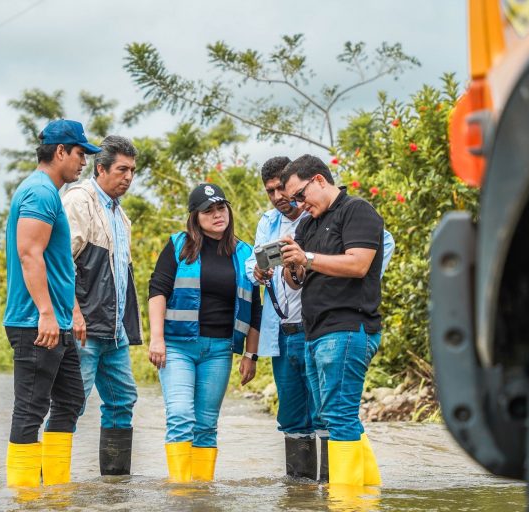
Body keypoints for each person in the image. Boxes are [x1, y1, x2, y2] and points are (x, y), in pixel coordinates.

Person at [246, 157, 395, 482]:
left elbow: (359, 265)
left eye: (299, 195)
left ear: (318, 180)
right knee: (329, 415)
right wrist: (291, 267)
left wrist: (307, 258)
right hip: (315, 332)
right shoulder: (307, 225)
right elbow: (296, 280)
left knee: (337, 418)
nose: (296, 203)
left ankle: (345, 500)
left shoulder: (357, 211)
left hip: (347, 327)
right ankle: (358, 493)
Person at [3, 119, 101, 489]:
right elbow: (30, 254)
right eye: (79, 154)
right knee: (30, 410)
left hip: (55, 319)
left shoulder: (48, 193)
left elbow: (58, 265)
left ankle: (55, 491)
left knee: (71, 397)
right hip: (35, 321)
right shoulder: (40, 193)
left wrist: (71, 311)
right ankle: (25, 497)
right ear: (60, 152)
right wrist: (45, 312)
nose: (83, 163)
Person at [147, 183, 262, 483]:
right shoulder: (178, 245)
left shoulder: (246, 253)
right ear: (195, 217)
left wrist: (251, 354)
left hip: (220, 349)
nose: (216, 215)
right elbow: (157, 290)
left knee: (207, 424)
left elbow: (256, 308)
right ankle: (181, 491)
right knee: (182, 416)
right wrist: (156, 338)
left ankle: (201, 493)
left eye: (220, 208)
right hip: (177, 347)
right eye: (207, 211)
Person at [62, 135, 142, 476]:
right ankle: (45, 484)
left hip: (114, 331)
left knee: (123, 402)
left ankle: (115, 487)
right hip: (85, 328)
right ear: (101, 168)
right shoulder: (79, 201)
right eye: (121, 169)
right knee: (71, 404)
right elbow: (61, 263)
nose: (128, 177)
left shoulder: (119, 214)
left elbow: (121, 276)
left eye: (132, 170)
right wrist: (75, 314)